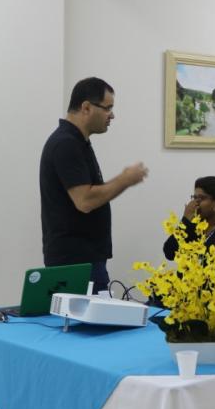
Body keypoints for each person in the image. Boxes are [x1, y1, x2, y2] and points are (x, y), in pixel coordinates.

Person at [40, 77, 148, 293]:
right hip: (75, 263)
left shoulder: (78, 142)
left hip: (85, 259)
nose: (112, 115)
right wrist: (125, 179)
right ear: (86, 107)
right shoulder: (66, 144)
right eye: (108, 108)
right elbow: (85, 201)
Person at [163, 177, 215, 275]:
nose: (195, 203)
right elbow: (169, 253)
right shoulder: (190, 226)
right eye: (194, 198)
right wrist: (185, 221)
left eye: (201, 198)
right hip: (183, 284)